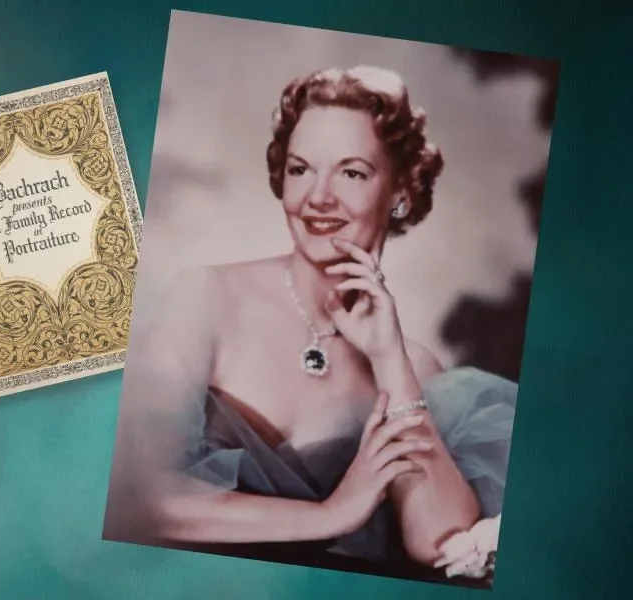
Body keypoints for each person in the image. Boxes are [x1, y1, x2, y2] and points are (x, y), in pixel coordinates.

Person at [104, 66, 516, 581]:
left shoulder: (415, 366)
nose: (319, 197)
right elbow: (138, 499)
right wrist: (331, 514)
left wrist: (389, 359)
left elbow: (440, 546)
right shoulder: (206, 297)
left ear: (400, 191)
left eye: (352, 172)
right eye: (301, 170)